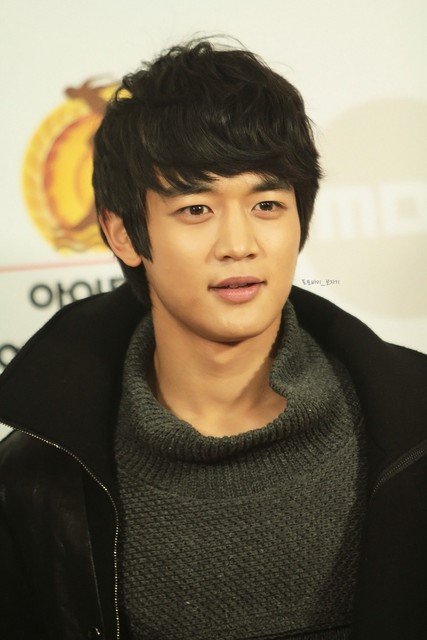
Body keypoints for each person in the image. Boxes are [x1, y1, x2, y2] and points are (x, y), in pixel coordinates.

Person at [0, 37, 426, 640]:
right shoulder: (39, 481)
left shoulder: (412, 430)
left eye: (267, 204)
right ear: (122, 234)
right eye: (196, 209)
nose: (239, 244)